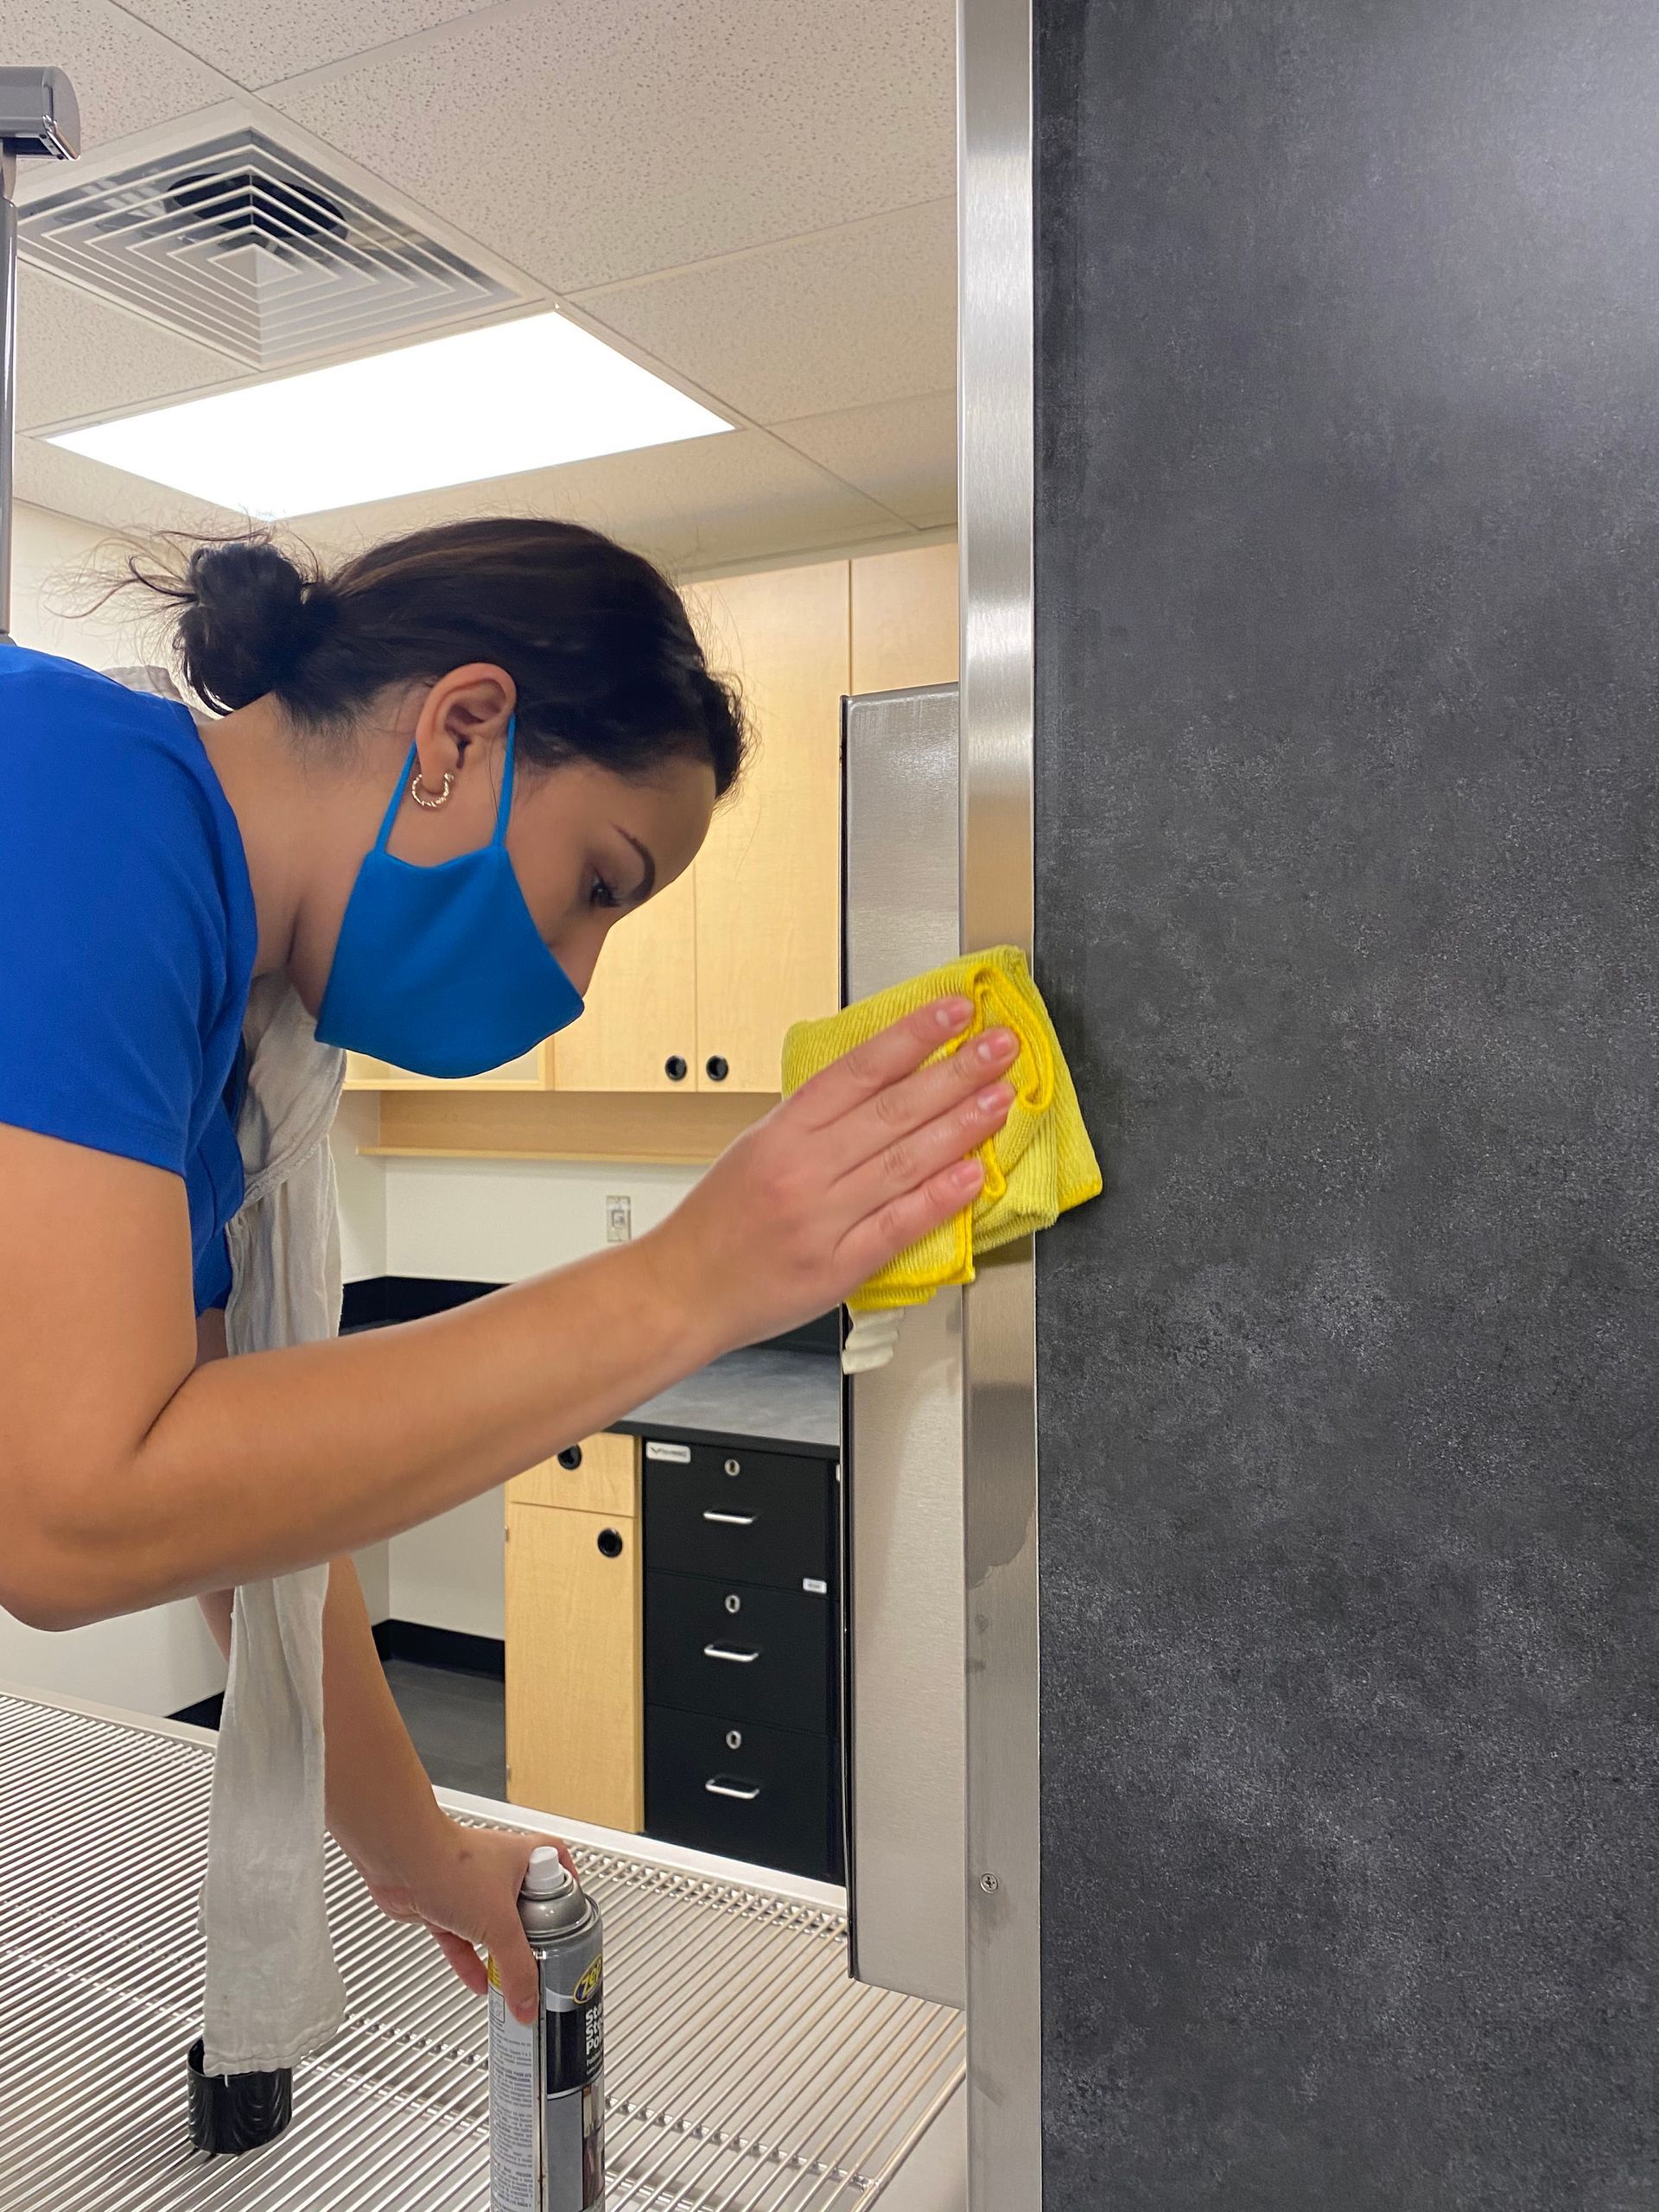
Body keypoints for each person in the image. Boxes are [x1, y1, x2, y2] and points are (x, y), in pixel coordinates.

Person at [0, 518, 1018, 2024]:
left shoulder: (224, 1039)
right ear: (460, 735)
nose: (581, 975)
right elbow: (70, 1520)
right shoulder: (90, 810)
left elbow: (236, 1513)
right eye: (601, 883)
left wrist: (414, 1854)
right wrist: (687, 1283)